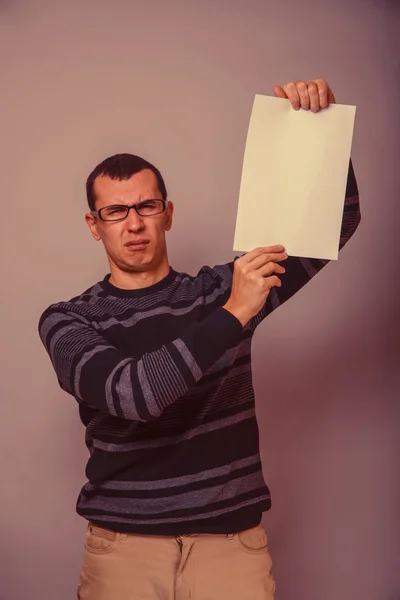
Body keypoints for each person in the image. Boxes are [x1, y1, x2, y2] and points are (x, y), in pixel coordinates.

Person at [38, 78, 360, 600]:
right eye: (115, 212)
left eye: (146, 206)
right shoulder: (69, 320)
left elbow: (336, 223)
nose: (133, 223)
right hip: (125, 549)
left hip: (230, 546)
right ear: (94, 225)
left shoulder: (222, 288)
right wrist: (236, 312)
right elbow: (132, 395)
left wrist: (318, 127)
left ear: (168, 213)